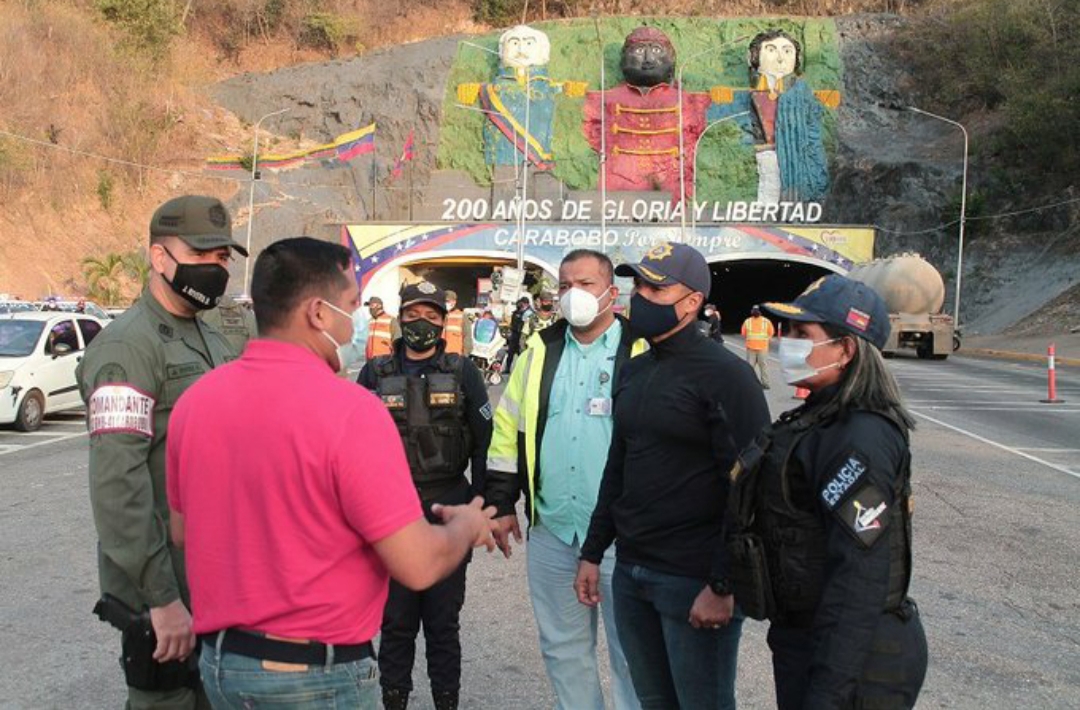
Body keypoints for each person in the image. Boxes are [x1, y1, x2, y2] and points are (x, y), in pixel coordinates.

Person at [166, 238, 496, 709]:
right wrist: (465, 526)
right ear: (318, 313)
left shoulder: (196, 402)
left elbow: (182, 531)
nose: (357, 322)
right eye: (350, 306)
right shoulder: (352, 410)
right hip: (314, 677)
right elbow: (418, 563)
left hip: (223, 667)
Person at [575, 241, 770, 710]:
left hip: (694, 580)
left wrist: (723, 585)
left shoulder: (728, 377)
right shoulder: (635, 370)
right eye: (638, 284)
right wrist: (593, 551)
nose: (640, 295)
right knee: (653, 702)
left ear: (692, 302)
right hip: (633, 573)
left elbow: (751, 489)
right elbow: (618, 466)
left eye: (656, 289)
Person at [725, 274, 927, 709]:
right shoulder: (821, 419)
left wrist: (829, 693)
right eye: (789, 331)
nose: (788, 343)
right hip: (811, 639)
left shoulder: (860, 438)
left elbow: (859, 577)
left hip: (857, 661)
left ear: (847, 348)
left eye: (804, 334)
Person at [76, 194, 245, 710]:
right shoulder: (126, 347)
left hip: (215, 580)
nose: (214, 269)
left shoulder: (212, 335)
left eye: (222, 258)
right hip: (166, 591)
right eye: (201, 255)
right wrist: (162, 598)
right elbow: (118, 485)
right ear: (159, 257)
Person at [486, 250, 641, 710]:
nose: (574, 294)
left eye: (587, 284)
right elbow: (507, 428)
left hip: (622, 533)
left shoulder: (639, 350)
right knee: (563, 648)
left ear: (612, 292)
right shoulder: (540, 349)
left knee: (632, 652)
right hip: (553, 526)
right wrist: (499, 501)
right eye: (566, 284)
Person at [358, 281, 494, 710]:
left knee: (442, 622)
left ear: (443, 322)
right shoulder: (375, 373)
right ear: (401, 317)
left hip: (448, 506)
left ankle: (446, 701)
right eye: (415, 314)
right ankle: (394, 700)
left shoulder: (463, 372)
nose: (423, 323)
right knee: (396, 622)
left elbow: (486, 443)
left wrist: (484, 506)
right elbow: (352, 448)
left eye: (432, 316)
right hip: (391, 513)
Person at [741, 304, 775, 388]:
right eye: (754, 310)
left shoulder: (766, 321)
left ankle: (765, 384)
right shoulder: (748, 321)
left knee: (759, 366)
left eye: (756, 310)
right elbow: (744, 333)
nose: (755, 312)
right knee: (752, 367)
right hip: (753, 347)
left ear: (760, 312)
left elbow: (771, 333)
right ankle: (751, 383)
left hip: (761, 347)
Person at [365, 295, 399, 360]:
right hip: (370, 363)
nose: (370, 308)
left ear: (379, 306)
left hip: (386, 363)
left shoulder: (391, 320)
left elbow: (398, 342)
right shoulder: (369, 322)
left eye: (372, 305)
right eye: (369, 306)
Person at [504, 296, 533, 372]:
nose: (520, 304)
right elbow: (512, 323)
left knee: (522, 354)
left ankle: (521, 370)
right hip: (514, 335)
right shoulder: (516, 312)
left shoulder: (530, 313)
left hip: (523, 335)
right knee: (510, 353)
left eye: (522, 303)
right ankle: (507, 368)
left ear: (526, 303)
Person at [442, 289, 473, 356]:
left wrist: (465, 354)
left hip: (455, 356)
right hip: (439, 355)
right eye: (443, 301)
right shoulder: (439, 315)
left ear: (454, 302)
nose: (445, 303)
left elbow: (467, 336)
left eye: (447, 301)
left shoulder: (462, 316)